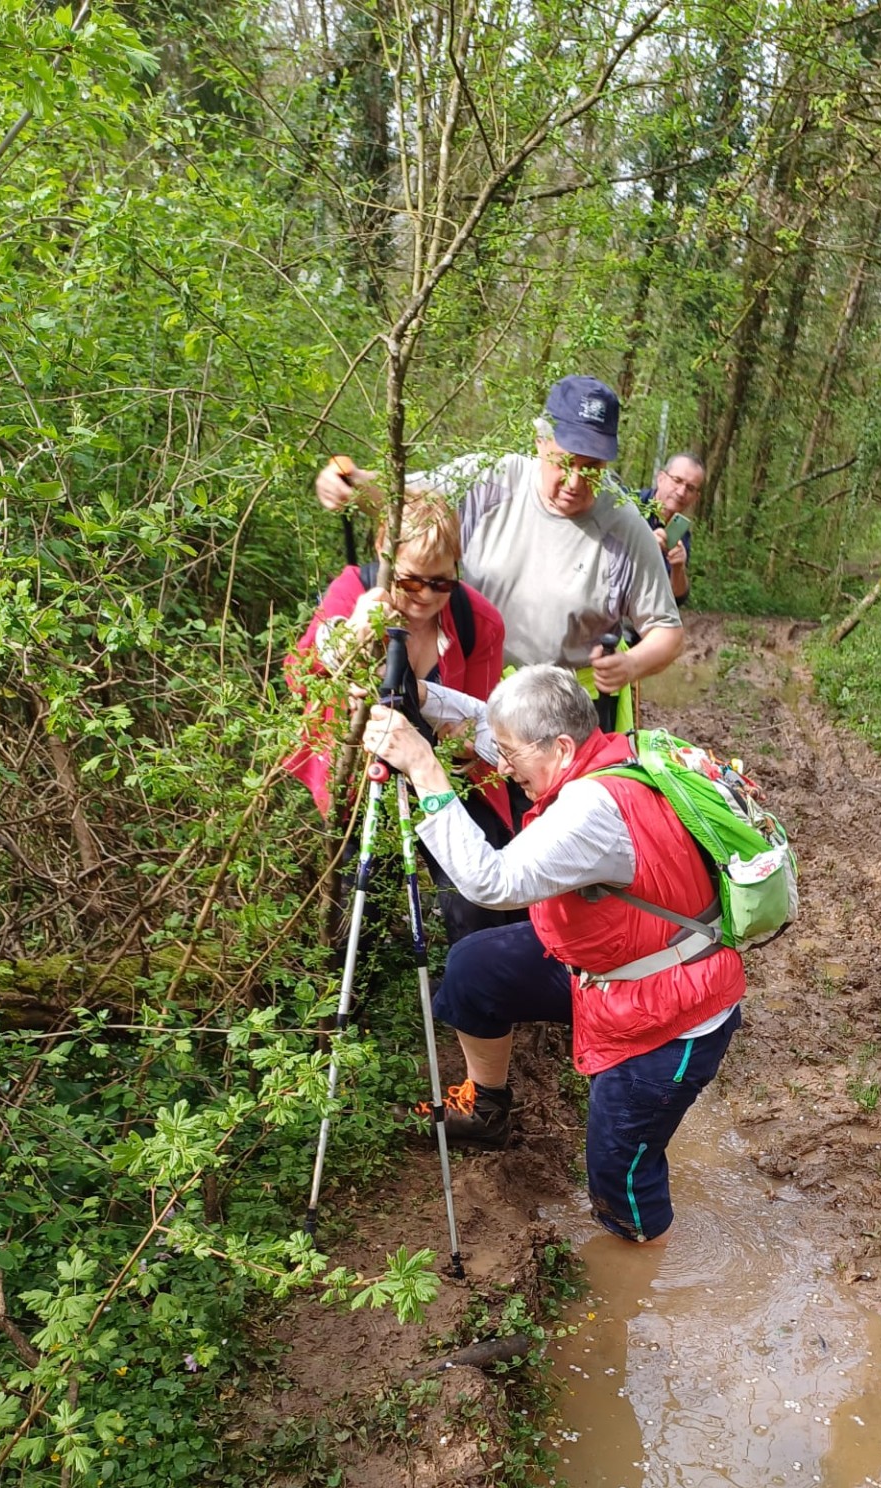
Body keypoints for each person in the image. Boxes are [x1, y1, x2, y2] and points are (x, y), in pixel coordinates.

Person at [360, 665, 744, 1246]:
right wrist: (421, 698)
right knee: (475, 970)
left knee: (618, 1177)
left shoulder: (591, 810)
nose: (503, 766)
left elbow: (490, 882)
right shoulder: (602, 751)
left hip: (668, 1013)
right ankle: (487, 1109)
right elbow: (492, 730)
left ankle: (642, 1266)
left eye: (511, 755)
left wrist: (423, 767)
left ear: (561, 746)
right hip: (610, 964)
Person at [314, 377, 682, 729]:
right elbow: (408, 500)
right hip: (466, 692)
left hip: (558, 714)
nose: (575, 482)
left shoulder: (624, 526)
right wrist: (349, 479)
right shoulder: (491, 482)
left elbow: (667, 630)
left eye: (592, 469)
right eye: (566, 462)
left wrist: (630, 664)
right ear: (541, 441)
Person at [284, 489, 520, 946]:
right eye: (412, 581)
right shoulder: (353, 590)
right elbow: (300, 677)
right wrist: (355, 632)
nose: (427, 596)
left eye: (442, 583)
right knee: (357, 906)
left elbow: (485, 718)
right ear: (385, 554)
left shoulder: (478, 620)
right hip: (360, 778)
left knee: (476, 900)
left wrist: (465, 744)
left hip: (442, 777)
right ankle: (351, 1005)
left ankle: (473, 996)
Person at [638, 451, 705, 607]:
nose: (681, 492)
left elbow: (677, 598)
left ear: (696, 498)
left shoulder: (680, 532)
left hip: (642, 612)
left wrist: (678, 568)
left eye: (690, 488)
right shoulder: (630, 504)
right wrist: (641, 545)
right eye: (677, 480)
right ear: (661, 479)